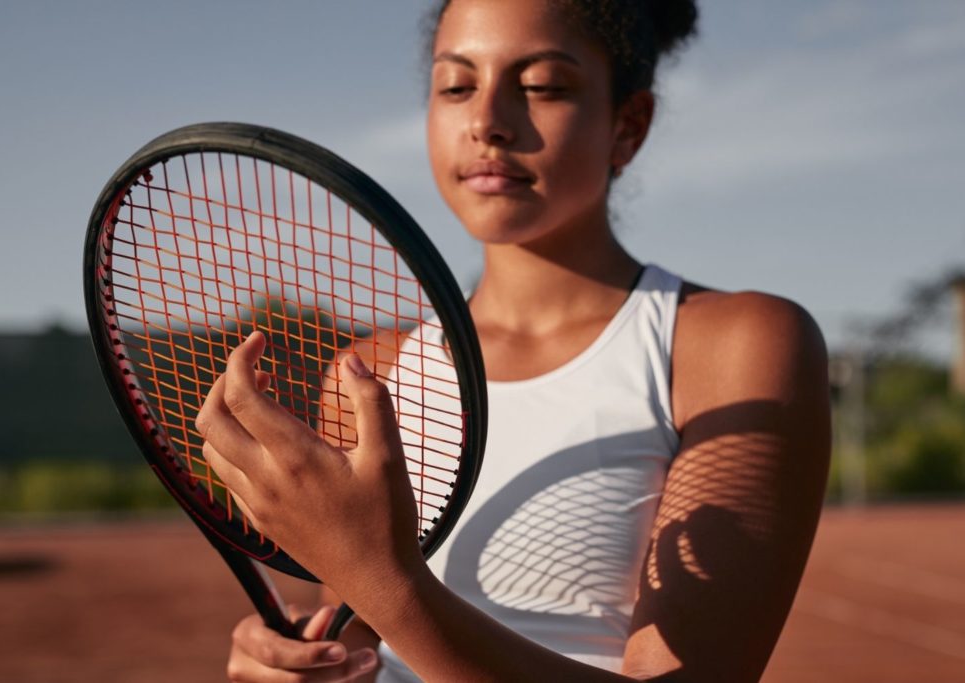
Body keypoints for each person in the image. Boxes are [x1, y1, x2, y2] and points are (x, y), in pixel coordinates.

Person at [196, 0, 831, 680]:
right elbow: (363, 648)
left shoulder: (734, 344)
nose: (488, 123)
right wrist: (303, 664)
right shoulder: (370, 372)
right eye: (457, 86)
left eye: (543, 87)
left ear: (629, 124)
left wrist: (387, 579)